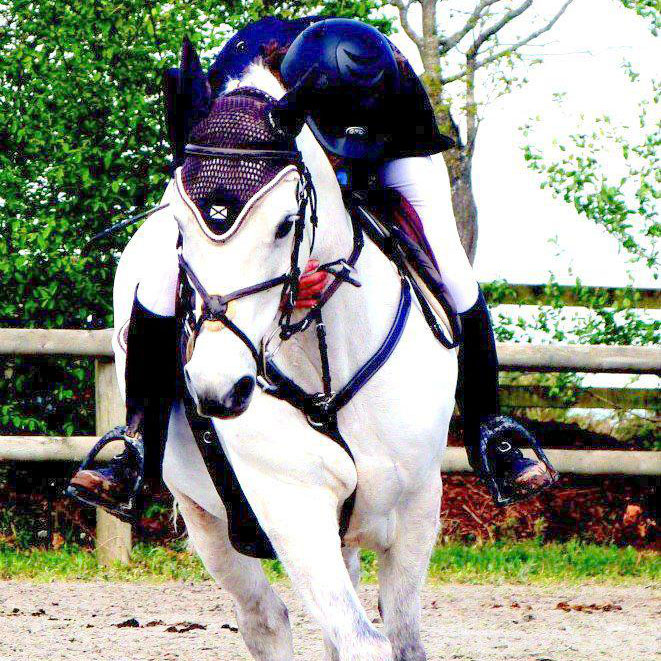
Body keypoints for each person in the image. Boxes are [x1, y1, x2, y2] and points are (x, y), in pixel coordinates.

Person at [68, 17, 556, 520]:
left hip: (391, 154)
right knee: (161, 273)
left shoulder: (399, 84)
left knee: (454, 272)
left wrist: (330, 244)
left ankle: (491, 433)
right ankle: (134, 446)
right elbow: (210, 180)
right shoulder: (243, 73)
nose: (336, 159)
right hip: (250, 154)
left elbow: (352, 188)